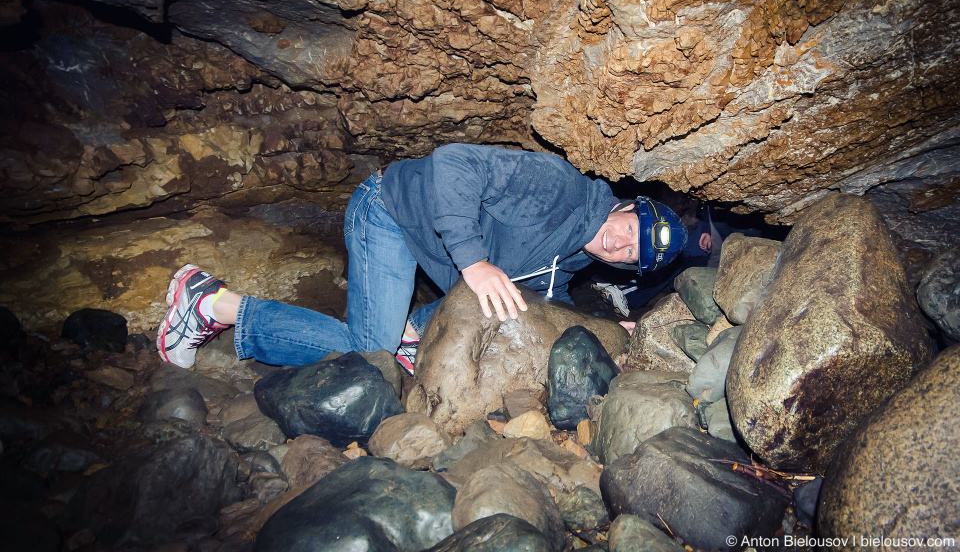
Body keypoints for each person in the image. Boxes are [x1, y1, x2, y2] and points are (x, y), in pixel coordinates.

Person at [156, 144, 687, 373]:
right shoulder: (559, 189)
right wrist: (475, 261)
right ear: (625, 206)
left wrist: (609, 334)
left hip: (426, 244)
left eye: (633, 255)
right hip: (388, 208)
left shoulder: (572, 260)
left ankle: (412, 333)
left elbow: (542, 301)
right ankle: (211, 304)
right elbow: (453, 165)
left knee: (517, 303)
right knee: (372, 360)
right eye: (630, 230)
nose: (620, 246)